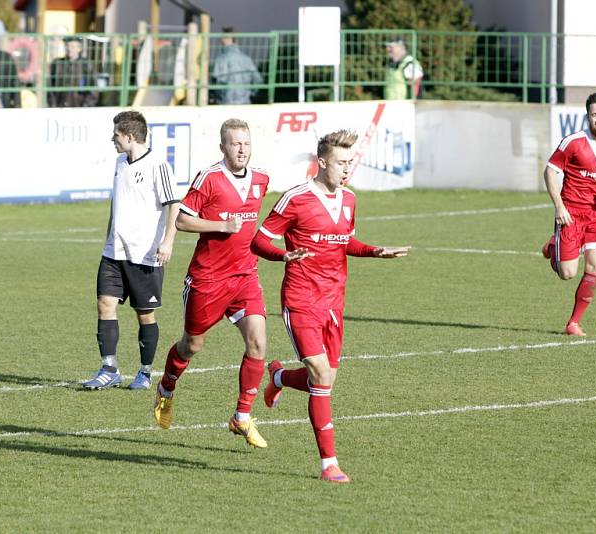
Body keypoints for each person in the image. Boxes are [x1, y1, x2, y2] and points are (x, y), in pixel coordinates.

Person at [251, 129, 410, 483]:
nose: (347, 169)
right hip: (301, 300)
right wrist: (284, 255)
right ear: (321, 163)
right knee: (321, 377)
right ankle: (329, 465)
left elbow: (344, 241)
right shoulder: (295, 199)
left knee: (323, 381)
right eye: (340, 162)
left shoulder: (350, 200)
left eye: (350, 162)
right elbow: (258, 241)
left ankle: (278, 376)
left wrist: (375, 251)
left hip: (334, 302)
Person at [153, 118, 273, 449]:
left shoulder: (261, 180)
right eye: (235, 143)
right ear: (223, 147)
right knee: (192, 345)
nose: (242, 149)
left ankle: (242, 416)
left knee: (258, 343)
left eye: (246, 143)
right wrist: (220, 226)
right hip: (208, 279)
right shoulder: (210, 178)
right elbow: (182, 218)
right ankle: (166, 387)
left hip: (245, 276)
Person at [83, 111, 180, 390]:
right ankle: (109, 367)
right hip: (114, 252)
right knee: (105, 305)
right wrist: (108, 236)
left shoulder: (158, 164)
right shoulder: (119, 162)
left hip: (145, 254)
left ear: (129, 136)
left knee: (144, 314)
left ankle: (145, 372)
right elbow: (117, 203)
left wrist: (168, 241)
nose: (112, 139)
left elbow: (173, 203)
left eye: (115, 135)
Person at [541, 92, 596, 337]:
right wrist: (559, 206)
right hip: (570, 214)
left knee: (594, 265)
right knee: (567, 273)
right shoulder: (573, 143)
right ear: (588, 116)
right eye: (594, 115)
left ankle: (573, 323)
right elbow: (549, 172)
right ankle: (553, 246)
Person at [212, 28, 262, 105]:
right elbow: (258, 80)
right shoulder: (247, 59)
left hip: (226, 103)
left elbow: (218, 83)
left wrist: (218, 97)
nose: (221, 40)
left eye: (222, 37)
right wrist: (250, 94)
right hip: (245, 102)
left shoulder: (221, 59)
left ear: (228, 39)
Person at [48, 37, 99, 108]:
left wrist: (85, 106)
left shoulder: (86, 65)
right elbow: (50, 86)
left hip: (79, 108)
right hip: (60, 107)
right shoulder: (57, 63)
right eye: (67, 46)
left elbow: (94, 89)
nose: (69, 49)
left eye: (72, 46)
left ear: (79, 48)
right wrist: (53, 106)